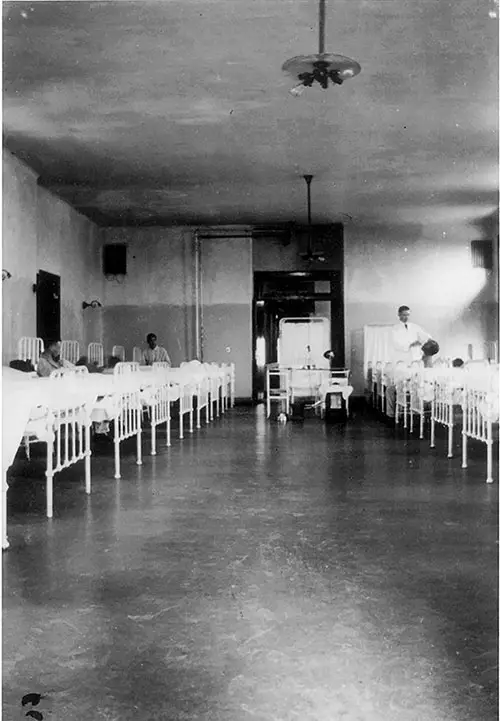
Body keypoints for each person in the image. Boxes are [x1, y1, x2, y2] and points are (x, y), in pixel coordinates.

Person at [385, 306, 432, 422]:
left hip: (415, 360)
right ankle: (392, 415)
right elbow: (396, 344)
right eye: (403, 315)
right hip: (402, 360)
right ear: (399, 315)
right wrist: (411, 343)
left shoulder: (415, 327)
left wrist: (426, 342)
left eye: (407, 315)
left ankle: (416, 412)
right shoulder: (395, 329)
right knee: (397, 387)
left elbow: (427, 337)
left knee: (417, 385)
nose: (406, 317)